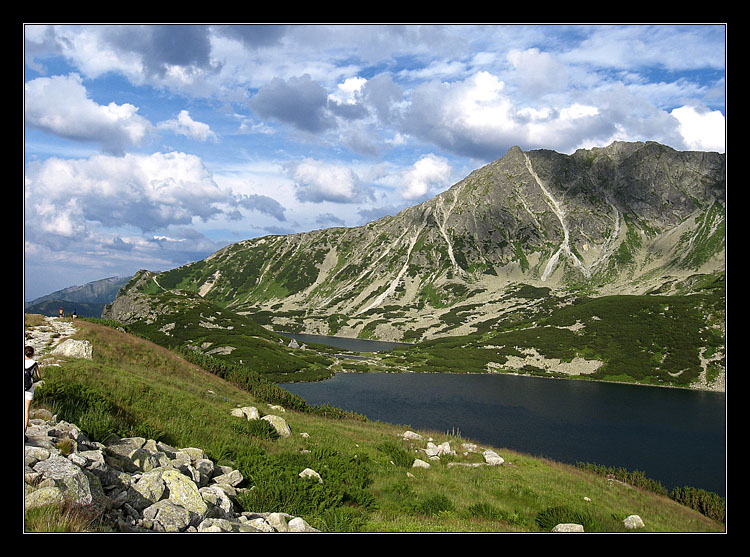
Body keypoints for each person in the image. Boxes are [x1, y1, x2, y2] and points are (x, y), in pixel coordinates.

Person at [25, 346, 41, 442]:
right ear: (32, 354)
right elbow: (39, 377)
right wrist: (32, 381)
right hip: (28, 388)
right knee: (26, 411)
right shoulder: (34, 364)